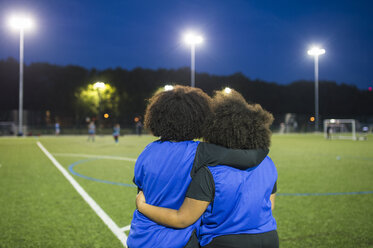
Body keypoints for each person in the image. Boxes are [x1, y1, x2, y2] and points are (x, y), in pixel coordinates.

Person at [127, 86, 268, 248]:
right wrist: (261, 140)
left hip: (139, 236)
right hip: (177, 241)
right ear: (199, 119)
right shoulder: (200, 151)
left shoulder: (148, 150)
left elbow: (141, 190)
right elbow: (250, 159)